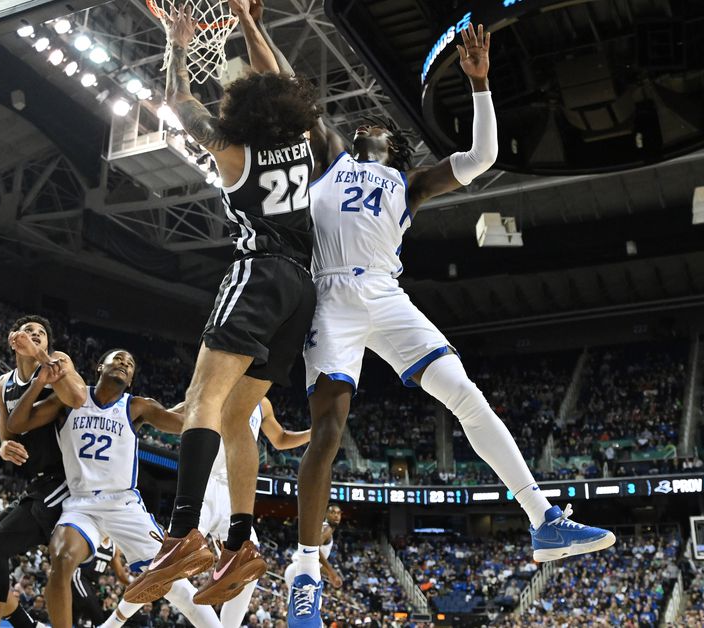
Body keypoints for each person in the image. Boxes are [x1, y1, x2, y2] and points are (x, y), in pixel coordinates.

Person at [254, 20, 617, 623]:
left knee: (466, 394)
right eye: (360, 125)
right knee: (329, 428)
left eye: (377, 126)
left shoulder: (411, 181)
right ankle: (306, 570)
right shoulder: (331, 157)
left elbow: (483, 157)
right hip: (332, 294)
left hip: (386, 293)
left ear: (392, 146)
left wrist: (480, 85)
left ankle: (543, 518)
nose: (364, 124)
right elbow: (289, 88)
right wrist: (251, 22)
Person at [125, 0, 321, 605]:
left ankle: (183, 534)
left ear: (241, 112)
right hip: (301, 291)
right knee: (239, 419)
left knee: (202, 398)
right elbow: (281, 80)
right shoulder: (305, 140)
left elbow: (180, 105)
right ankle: (240, 539)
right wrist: (251, 24)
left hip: (258, 272)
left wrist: (177, 45)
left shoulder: (233, 153)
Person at [8, 349, 221, 628]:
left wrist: (211, 397)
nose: (124, 363)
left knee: (174, 584)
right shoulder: (70, 398)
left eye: (130, 363)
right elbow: (17, 423)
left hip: (124, 505)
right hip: (81, 503)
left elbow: (185, 424)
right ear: (99, 367)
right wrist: (39, 382)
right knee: (60, 560)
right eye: (118, 358)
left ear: (131, 380)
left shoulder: (137, 406)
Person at [0, 315, 87, 628]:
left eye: (42, 333)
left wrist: (42, 358)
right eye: (29, 331)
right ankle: (26, 625)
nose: (36, 335)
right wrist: (3, 445)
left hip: (66, 480)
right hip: (37, 481)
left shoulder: (58, 362)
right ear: (15, 339)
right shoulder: (3, 383)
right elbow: (8, 428)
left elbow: (79, 397)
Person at [199, 398, 309, 628]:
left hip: (234, 490)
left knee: (249, 567)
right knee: (170, 564)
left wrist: (314, 432)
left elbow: (279, 439)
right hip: (204, 482)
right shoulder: (220, 381)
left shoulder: (263, 403)